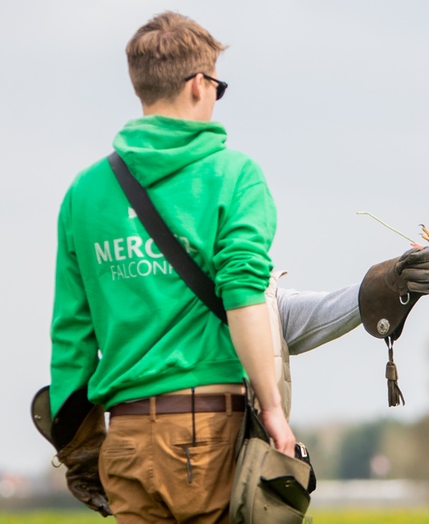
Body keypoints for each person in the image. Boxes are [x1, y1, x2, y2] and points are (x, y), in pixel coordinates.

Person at [48, 11, 294, 522]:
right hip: (207, 435)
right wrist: (272, 409)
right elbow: (243, 296)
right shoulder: (234, 176)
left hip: (125, 442)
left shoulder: (84, 193)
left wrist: (75, 445)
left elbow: (71, 334)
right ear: (201, 84)